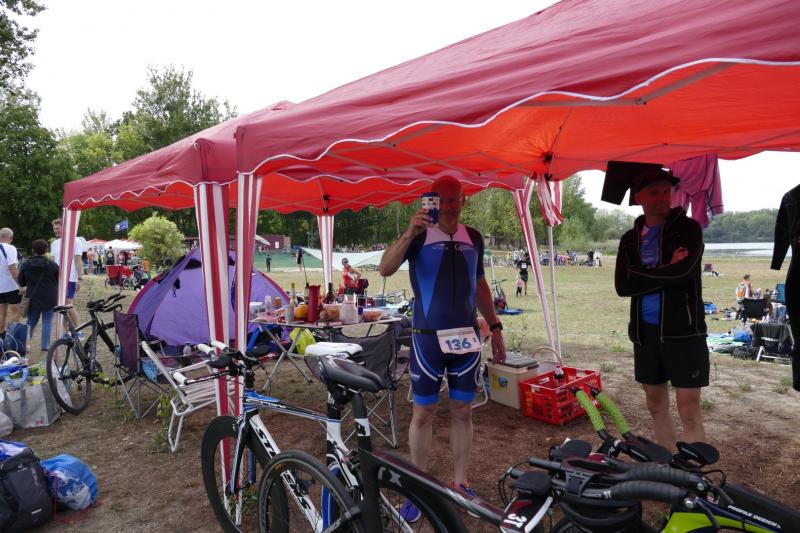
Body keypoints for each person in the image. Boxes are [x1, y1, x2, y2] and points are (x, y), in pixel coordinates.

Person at [379, 175, 506, 521]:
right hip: (427, 339)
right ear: (430, 201)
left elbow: (480, 284)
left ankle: (461, 482)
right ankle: (417, 487)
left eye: (453, 199)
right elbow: (385, 269)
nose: (447, 206)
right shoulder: (419, 236)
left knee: (463, 410)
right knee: (423, 412)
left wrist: (495, 327)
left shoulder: (474, 238)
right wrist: (409, 232)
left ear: (464, 200)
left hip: (465, 338)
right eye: (441, 200)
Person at [615, 167, 709, 448]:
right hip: (645, 333)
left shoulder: (688, 229)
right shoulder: (629, 239)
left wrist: (641, 273)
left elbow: (684, 274)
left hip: (684, 331)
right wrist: (667, 267)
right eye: (654, 192)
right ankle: (667, 467)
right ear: (639, 197)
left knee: (688, 409)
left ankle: (692, 472)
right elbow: (623, 286)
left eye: (667, 191)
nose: (663, 197)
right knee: (655, 405)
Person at [18, 240, 59, 355]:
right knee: (47, 321)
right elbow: (58, 279)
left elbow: (21, 281)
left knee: (31, 321)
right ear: (46, 250)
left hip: (33, 296)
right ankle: (45, 346)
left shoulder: (25, 264)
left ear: (33, 250)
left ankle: (24, 345)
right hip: (50, 296)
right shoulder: (52, 264)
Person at [50, 218, 84, 333]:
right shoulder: (54, 243)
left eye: (57, 228)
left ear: (64, 227)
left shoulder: (76, 241)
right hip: (56, 279)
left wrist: (80, 278)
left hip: (70, 278)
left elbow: (78, 261)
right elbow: (52, 262)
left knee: (68, 305)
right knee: (60, 307)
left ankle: (78, 330)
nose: (55, 231)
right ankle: (68, 333)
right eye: (54, 228)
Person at [0, 228, 21, 341]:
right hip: (11, 286)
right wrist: (20, 284)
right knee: (15, 312)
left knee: (1, 313)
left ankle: (1, 338)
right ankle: (10, 338)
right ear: (11, 238)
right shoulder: (10, 248)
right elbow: (12, 267)